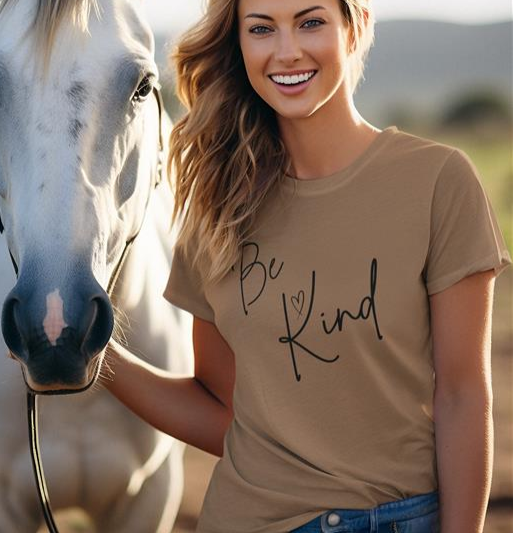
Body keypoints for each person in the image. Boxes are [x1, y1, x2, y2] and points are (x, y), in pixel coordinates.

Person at [103, 1, 513, 532]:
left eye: (311, 22)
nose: (287, 51)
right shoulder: (216, 207)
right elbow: (222, 414)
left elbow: (462, 395)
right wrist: (92, 355)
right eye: (261, 29)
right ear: (239, 46)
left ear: (355, 27)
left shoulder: (439, 182)